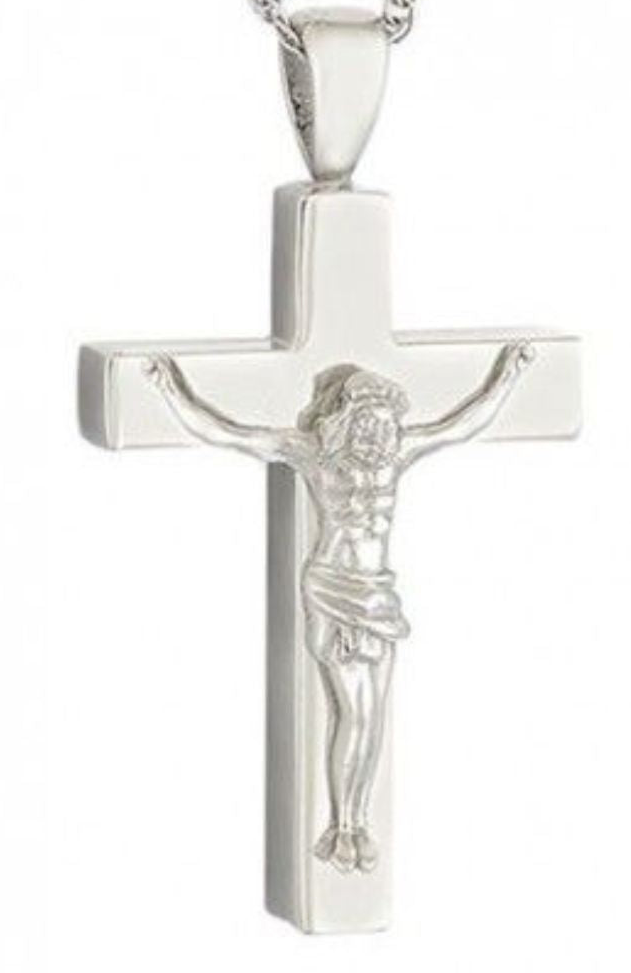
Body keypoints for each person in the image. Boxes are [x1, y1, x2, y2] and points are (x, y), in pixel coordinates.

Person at [143, 341, 534, 872]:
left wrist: (507, 377)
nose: (378, 433)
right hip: (335, 590)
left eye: (385, 423)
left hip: (378, 593)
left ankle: (357, 820)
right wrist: (171, 390)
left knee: (374, 714)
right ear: (346, 418)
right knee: (352, 711)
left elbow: (461, 425)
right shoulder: (313, 455)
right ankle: (343, 825)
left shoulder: (397, 454)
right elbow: (230, 434)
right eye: (368, 421)